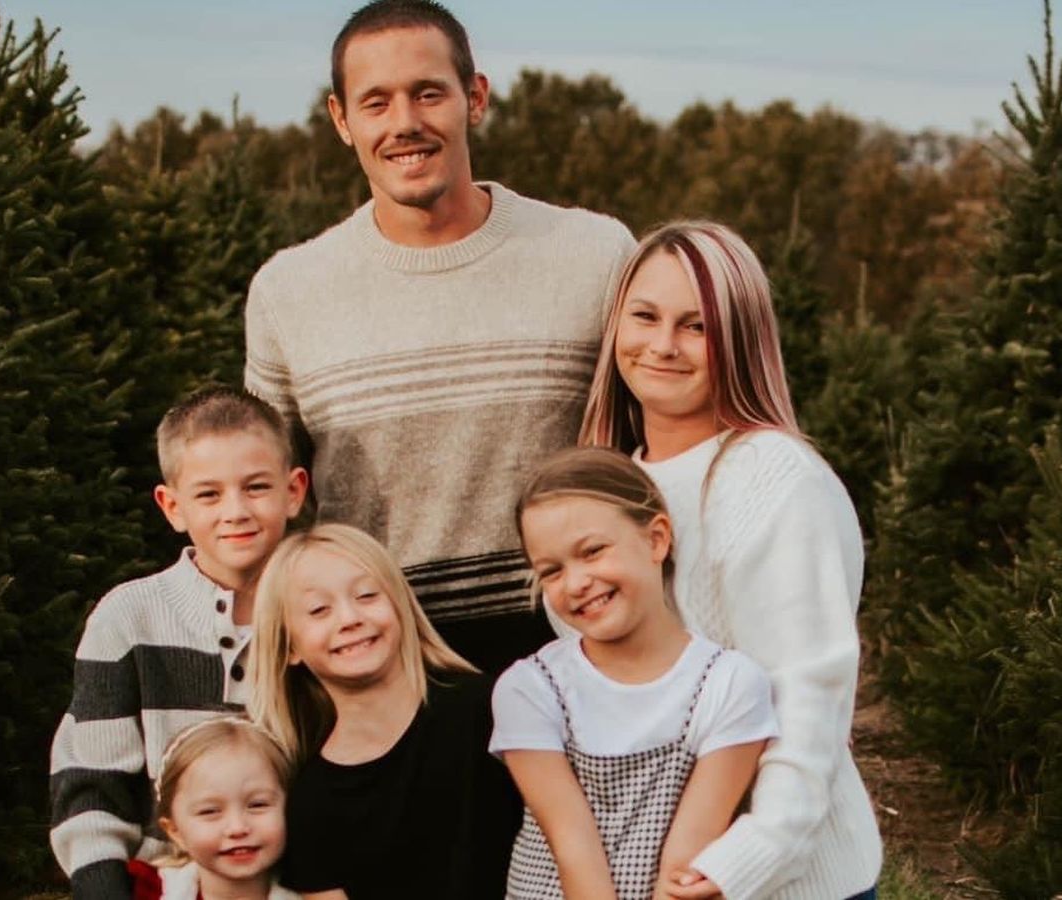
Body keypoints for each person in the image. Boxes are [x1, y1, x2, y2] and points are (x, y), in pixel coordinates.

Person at [243, 0, 636, 675]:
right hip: (379, 673)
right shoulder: (288, 292)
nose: (405, 123)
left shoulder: (594, 255)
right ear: (341, 119)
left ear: (474, 98)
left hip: (579, 660)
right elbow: (268, 503)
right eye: (376, 102)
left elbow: (659, 451)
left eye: (428, 93)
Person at [580, 222, 883, 900]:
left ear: (741, 340)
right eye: (645, 317)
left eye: (697, 327)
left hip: (777, 883)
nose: (663, 345)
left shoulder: (771, 477)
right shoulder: (608, 485)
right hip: (651, 870)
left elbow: (809, 691)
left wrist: (749, 857)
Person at [50, 387, 309, 899]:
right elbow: (92, 790)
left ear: (294, 491)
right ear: (172, 507)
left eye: (256, 487)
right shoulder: (129, 617)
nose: (235, 511)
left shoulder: (318, 612)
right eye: (209, 495)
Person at [491, 447, 778, 899]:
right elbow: (572, 846)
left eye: (592, 551)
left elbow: (687, 861)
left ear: (656, 539)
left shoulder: (729, 684)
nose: (576, 582)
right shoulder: (530, 688)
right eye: (552, 571)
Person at [247, 522, 521, 899]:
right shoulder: (311, 799)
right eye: (319, 610)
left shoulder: (491, 709)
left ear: (399, 604)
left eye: (366, 595)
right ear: (288, 647)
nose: (349, 619)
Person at [126, 717, 298, 900]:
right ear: (175, 831)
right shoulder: (145, 890)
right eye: (210, 811)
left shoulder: (314, 893)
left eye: (258, 805)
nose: (237, 828)